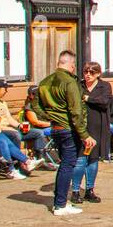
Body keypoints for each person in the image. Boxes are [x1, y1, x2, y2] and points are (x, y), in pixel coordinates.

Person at [36, 51, 94, 216]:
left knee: (64, 164)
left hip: (55, 128)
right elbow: (76, 110)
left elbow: (36, 106)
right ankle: (60, 204)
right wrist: (84, 134)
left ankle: (61, 202)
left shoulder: (45, 81)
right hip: (68, 128)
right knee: (67, 165)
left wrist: (50, 117)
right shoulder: (69, 82)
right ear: (72, 65)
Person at [70, 62, 113, 204]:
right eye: (85, 72)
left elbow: (105, 102)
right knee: (81, 159)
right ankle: (75, 191)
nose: (88, 75)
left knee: (93, 159)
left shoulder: (104, 86)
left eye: (92, 72)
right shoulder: (79, 85)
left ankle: (89, 190)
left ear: (98, 74)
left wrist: (88, 98)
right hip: (82, 127)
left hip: (98, 125)